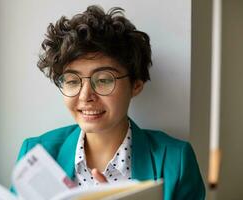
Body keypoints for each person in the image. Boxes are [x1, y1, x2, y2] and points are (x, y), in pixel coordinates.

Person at [14, 5, 205, 200]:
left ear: (136, 85)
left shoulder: (176, 160)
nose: (86, 96)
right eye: (72, 81)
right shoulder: (36, 154)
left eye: (104, 80)